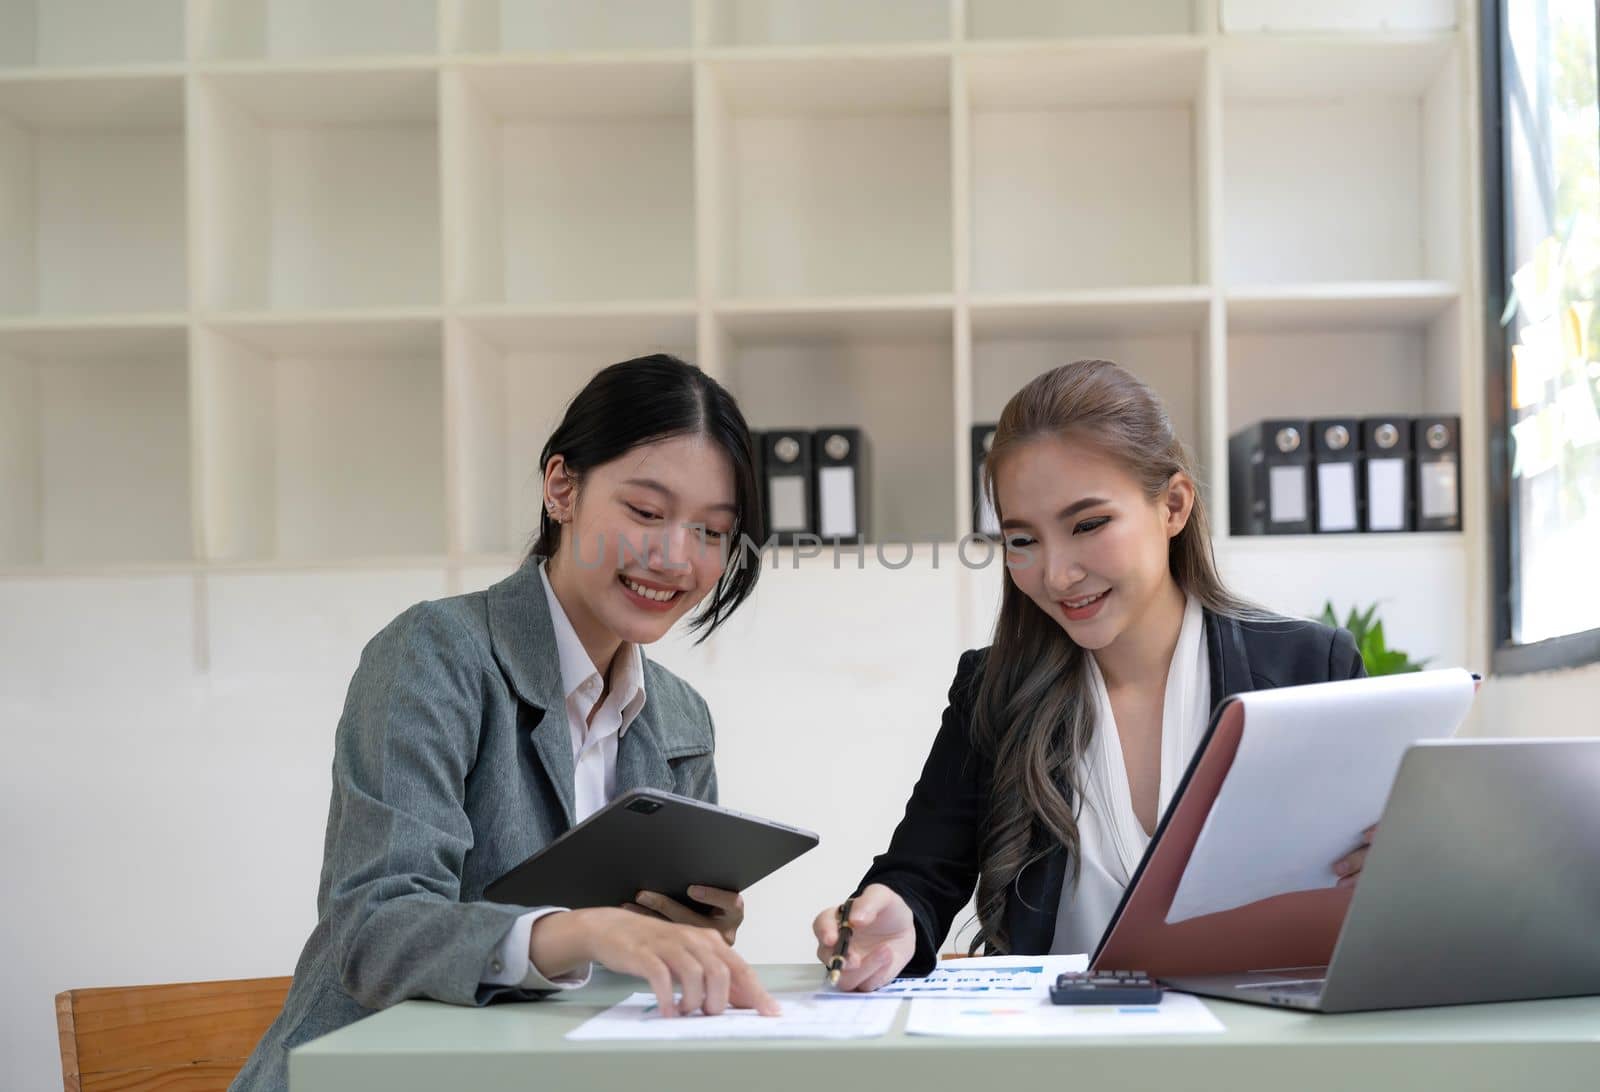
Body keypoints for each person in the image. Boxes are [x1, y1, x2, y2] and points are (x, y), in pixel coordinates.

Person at [234, 354, 776, 1092]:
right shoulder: (435, 655)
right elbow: (373, 928)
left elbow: (624, 988)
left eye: (712, 531)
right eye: (646, 512)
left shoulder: (680, 717)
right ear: (562, 488)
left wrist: (686, 941)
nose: (675, 556)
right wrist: (586, 932)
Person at [813, 359, 1370, 989]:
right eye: (1022, 540)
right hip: (1061, 1060)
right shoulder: (991, 691)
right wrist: (896, 915)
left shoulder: (1309, 669)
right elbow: (922, 873)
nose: (1056, 575)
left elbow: (1375, 883)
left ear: (1174, 506)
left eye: (1087, 525)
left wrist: (1402, 872)